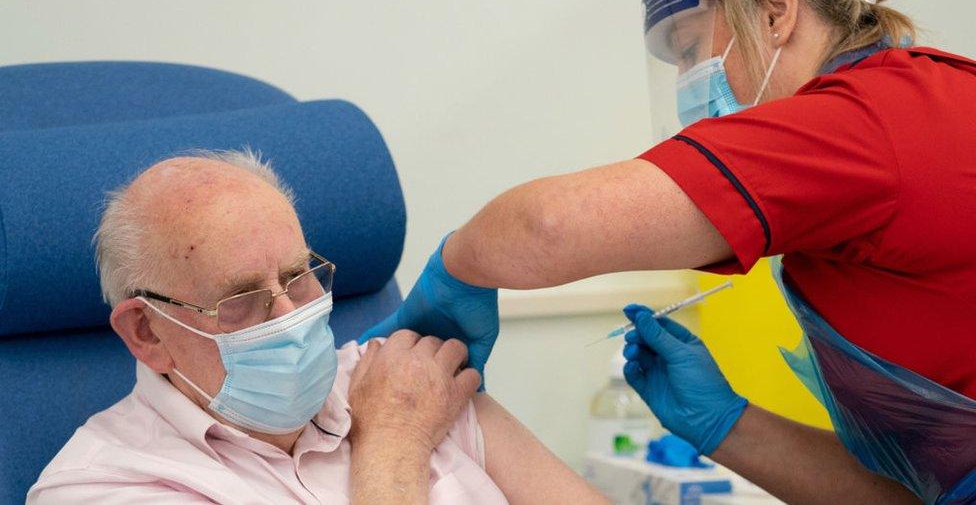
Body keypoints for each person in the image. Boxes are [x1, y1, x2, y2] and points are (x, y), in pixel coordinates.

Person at [361, 0, 976, 502]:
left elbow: (548, 227)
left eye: (689, 50)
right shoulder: (918, 104)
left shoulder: (860, 125)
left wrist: (458, 269)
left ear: (774, 14)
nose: (688, 82)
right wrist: (728, 424)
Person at [27, 151, 608, 504]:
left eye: (298, 276)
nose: (290, 316)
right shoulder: (100, 488)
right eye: (243, 298)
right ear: (146, 333)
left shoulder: (403, 376)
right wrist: (393, 446)